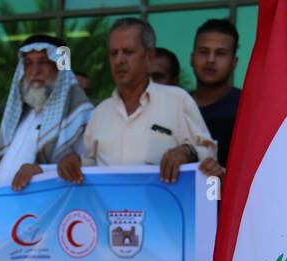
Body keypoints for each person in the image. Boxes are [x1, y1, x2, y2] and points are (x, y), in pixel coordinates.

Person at [60, 18, 216, 184]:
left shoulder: (178, 100)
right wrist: (74, 163)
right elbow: (91, 166)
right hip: (109, 208)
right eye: (114, 53)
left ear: (148, 57)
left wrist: (186, 152)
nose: (119, 60)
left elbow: (209, 153)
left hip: (164, 207)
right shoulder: (100, 113)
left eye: (128, 52)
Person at [0, 33, 92, 191]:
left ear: (59, 67)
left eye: (43, 62)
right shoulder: (19, 117)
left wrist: (42, 171)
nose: (35, 71)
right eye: (28, 63)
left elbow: (88, 167)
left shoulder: (81, 115)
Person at [190, 18, 240, 172]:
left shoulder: (248, 108)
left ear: (234, 62)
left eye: (220, 53)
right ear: (192, 58)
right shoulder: (176, 104)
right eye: (204, 52)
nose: (210, 60)